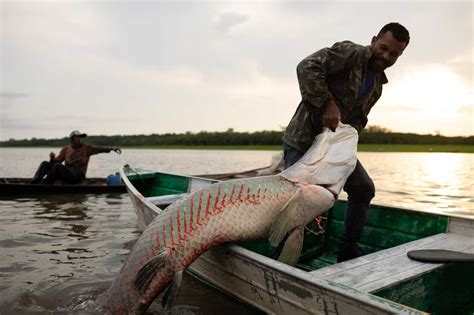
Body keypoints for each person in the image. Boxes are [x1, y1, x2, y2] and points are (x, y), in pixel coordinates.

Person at [282, 23, 410, 262]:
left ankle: (347, 249)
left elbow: (359, 119)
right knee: (294, 203)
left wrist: (347, 141)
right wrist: (326, 103)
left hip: (334, 150)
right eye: (383, 48)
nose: (386, 56)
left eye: (394, 54)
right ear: (373, 40)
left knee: (364, 188)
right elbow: (307, 66)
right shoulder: (350, 52)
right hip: (303, 142)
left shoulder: (377, 86)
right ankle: (277, 257)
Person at [31, 130, 122, 184]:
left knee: (57, 167)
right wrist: (52, 158)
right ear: (73, 139)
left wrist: (112, 148)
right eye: (78, 137)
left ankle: (45, 184)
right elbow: (56, 162)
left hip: (78, 175)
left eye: (81, 137)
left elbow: (100, 149)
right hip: (67, 173)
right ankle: (34, 182)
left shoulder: (87, 148)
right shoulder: (66, 149)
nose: (80, 139)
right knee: (45, 164)